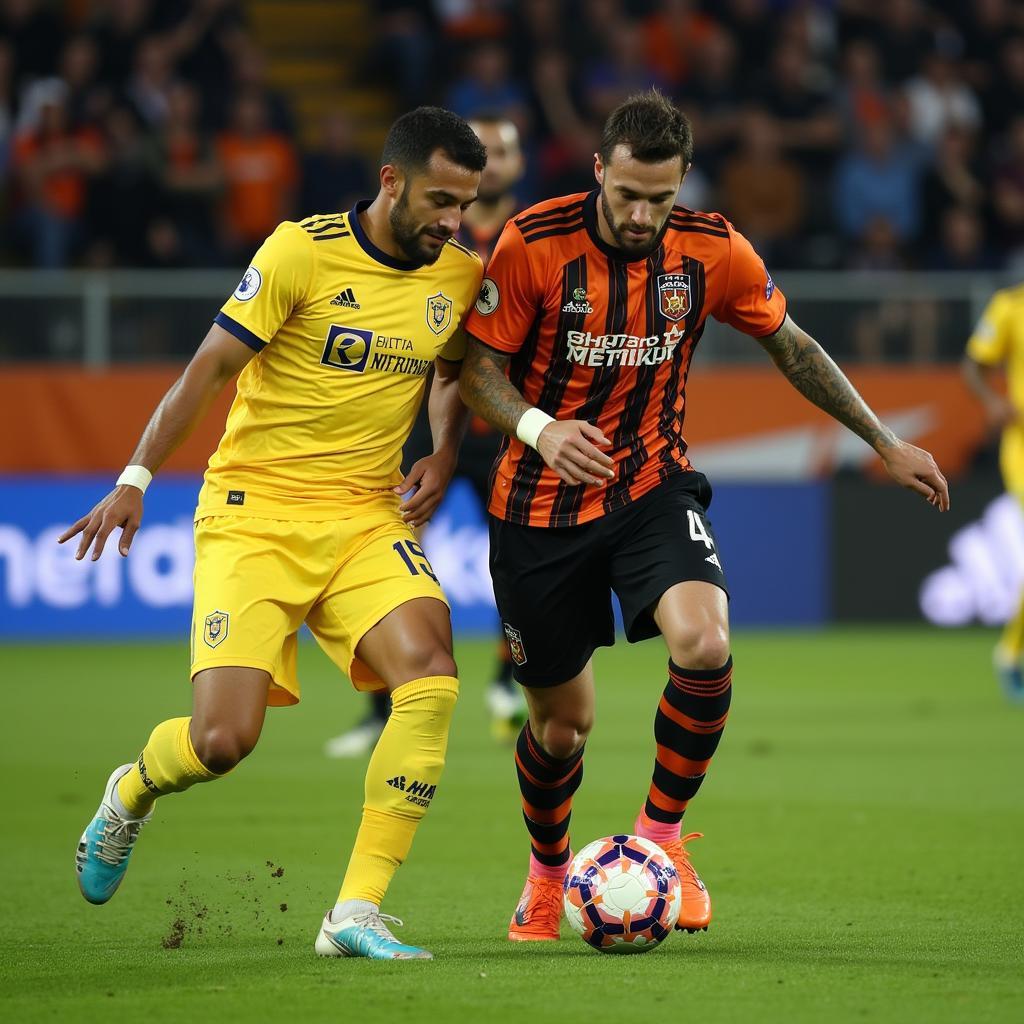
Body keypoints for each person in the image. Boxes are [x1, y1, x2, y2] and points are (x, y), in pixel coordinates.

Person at [457, 89, 949, 942]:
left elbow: (791, 344)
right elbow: (476, 372)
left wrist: (881, 440)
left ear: (683, 180)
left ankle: (661, 841)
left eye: (662, 196)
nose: (644, 214)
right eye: (628, 195)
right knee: (561, 727)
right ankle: (545, 877)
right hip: (538, 510)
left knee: (706, 643)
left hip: (652, 488)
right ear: (600, 170)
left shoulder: (712, 250)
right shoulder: (533, 244)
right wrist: (539, 429)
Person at [60, 106, 487, 960]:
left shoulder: (458, 276)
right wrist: (135, 477)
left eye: (466, 203)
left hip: (366, 513)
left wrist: (443, 452)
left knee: (432, 676)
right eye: (440, 198)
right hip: (253, 513)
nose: (453, 220)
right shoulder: (300, 250)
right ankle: (132, 790)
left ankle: (354, 913)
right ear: (390, 180)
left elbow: (453, 373)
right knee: (222, 742)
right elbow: (208, 370)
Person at [325, 112, 528, 758]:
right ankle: (380, 705)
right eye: (483, 151)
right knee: (391, 560)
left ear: (517, 166)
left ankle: (505, 682)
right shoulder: (432, 228)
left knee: (515, 564)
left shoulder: (529, 237)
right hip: (425, 423)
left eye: (501, 152)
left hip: (500, 424)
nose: (491, 162)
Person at [963, 283, 1024, 701]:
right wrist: (993, 402)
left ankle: (1010, 651)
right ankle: (1010, 652)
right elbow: (973, 366)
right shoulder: (1010, 306)